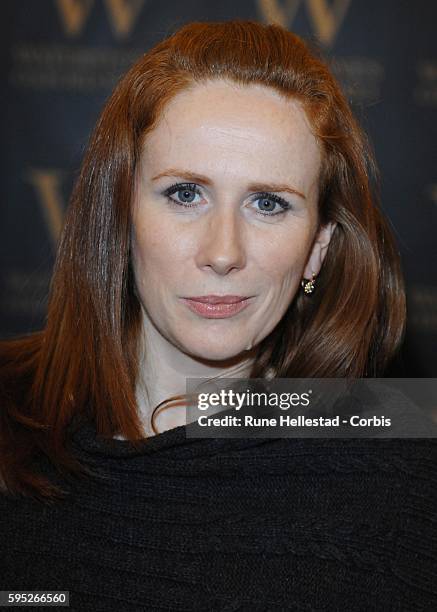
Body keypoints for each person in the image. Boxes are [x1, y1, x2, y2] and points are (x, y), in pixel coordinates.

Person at [0, 20, 435, 611]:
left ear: (318, 247)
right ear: (121, 214)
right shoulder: (9, 406)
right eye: (185, 194)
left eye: (268, 203)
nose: (223, 252)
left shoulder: (402, 463)